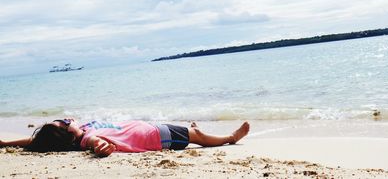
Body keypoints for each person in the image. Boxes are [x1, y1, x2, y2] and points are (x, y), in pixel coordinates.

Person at [0, 119, 250, 157]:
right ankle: (229, 137)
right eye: (66, 123)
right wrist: (102, 148)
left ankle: (193, 130)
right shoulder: (87, 139)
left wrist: (5, 143)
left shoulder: (80, 135)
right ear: (68, 133)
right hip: (156, 136)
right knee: (198, 136)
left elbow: (35, 143)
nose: (69, 120)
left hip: (154, 130)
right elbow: (98, 145)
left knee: (189, 132)